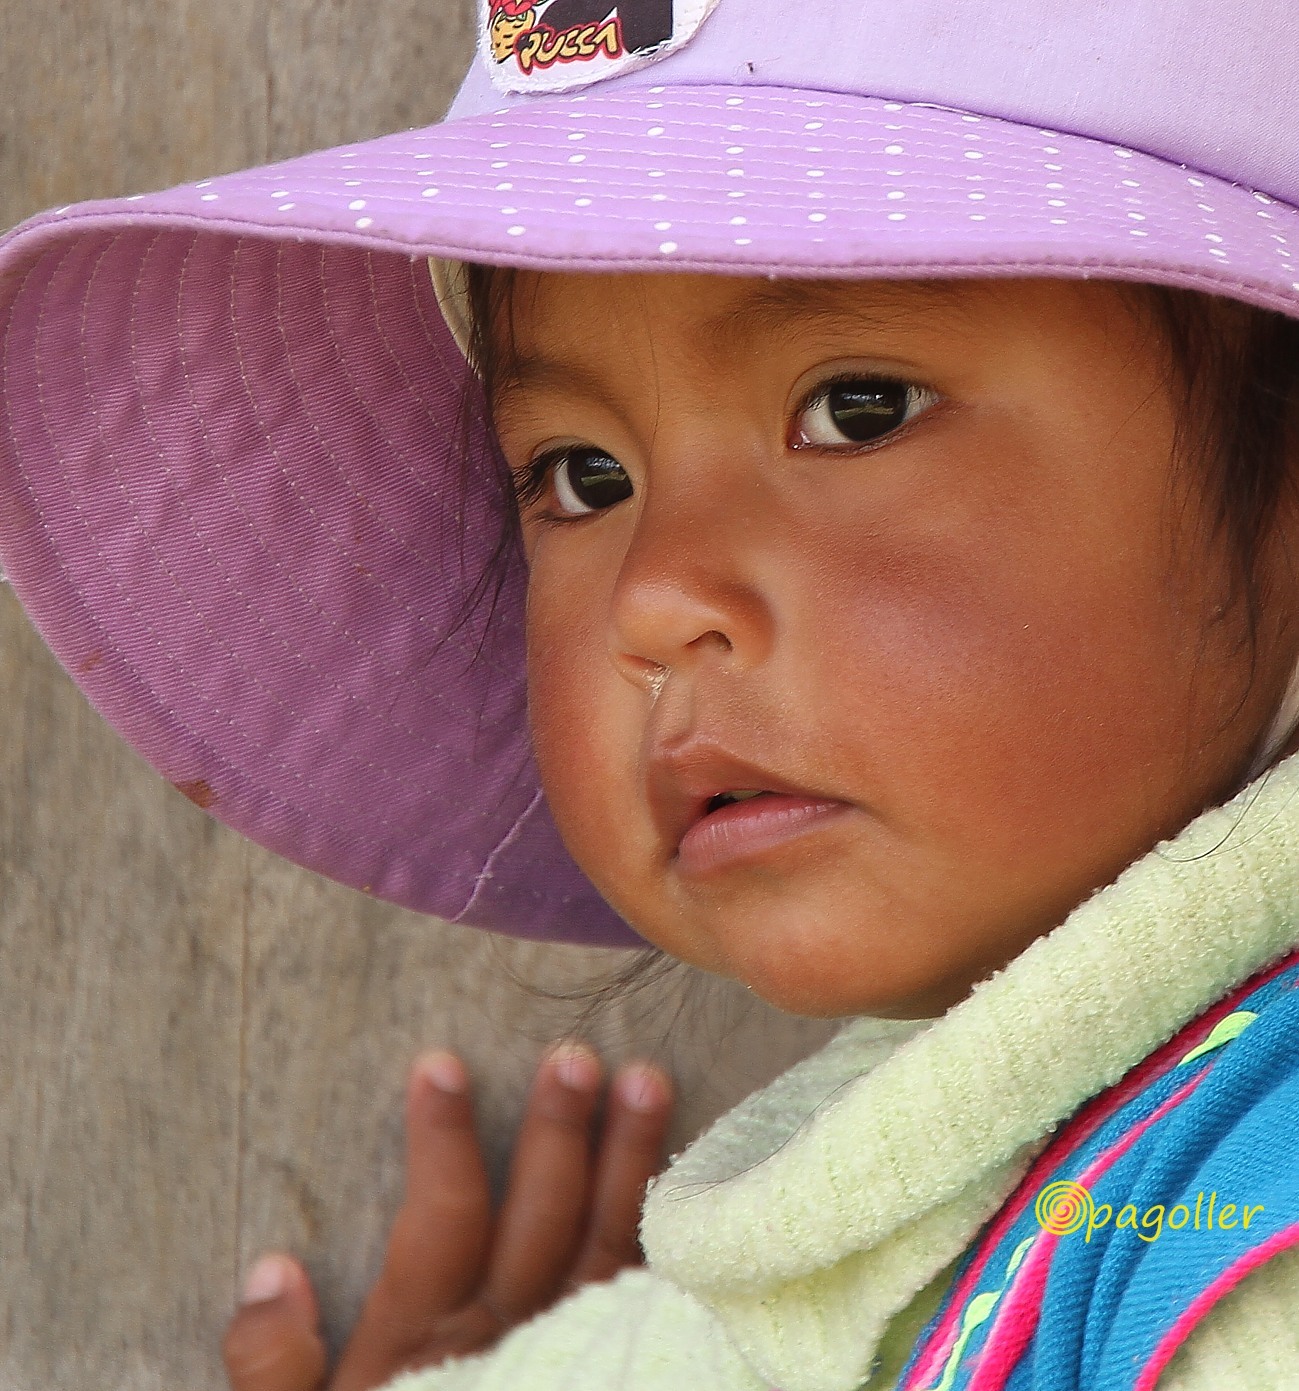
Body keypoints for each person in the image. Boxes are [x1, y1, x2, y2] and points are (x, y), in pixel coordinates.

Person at [2, 0, 1299, 1387]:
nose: (654, 597)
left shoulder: (1242, 1250)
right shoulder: (1058, 1206)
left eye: (858, 408)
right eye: (582, 477)